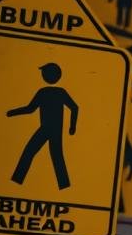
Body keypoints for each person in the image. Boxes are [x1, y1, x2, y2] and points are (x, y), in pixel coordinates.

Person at [7, 62, 79, 190]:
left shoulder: (45, 92)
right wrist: (72, 126)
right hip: (53, 130)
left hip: (46, 129)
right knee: (55, 155)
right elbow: (74, 108)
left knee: (31, 152)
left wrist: (13, 112)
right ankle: (64, 185)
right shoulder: (57, 92)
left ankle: (17, 179)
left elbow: (30, 109)